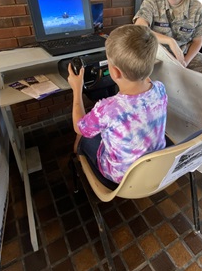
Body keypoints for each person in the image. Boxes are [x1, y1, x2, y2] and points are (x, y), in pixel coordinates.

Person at [67, 24, 168, 187]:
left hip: (121, 177)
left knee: (82, 135)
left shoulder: (107, 109)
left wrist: (77, 89)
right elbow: (145, 81)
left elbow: (79, 127)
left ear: (114, 72)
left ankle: (77, 158)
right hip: (155, 166)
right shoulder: (160, 88)